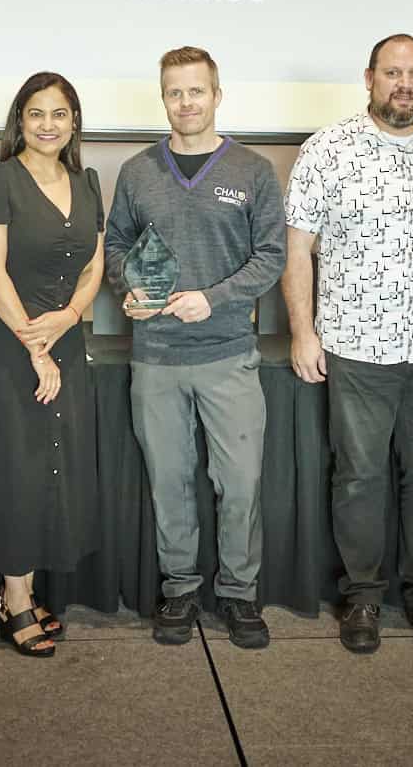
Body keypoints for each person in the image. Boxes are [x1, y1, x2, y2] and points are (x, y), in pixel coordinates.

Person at [282, 33, 413, 654]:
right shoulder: (327, 149)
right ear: (368, 78)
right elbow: (298, 251)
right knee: (360, 477)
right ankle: (363, 598)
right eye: (393, 72)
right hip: (356, 346)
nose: (405, 83)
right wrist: (301, 332)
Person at [103, 47, 285, 649]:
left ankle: (239, 593)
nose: (186, 103)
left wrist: (214, 298)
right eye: (175, 93)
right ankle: (179, 589)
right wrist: (127, 289)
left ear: (217, 94)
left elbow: (272, 257)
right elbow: (116, 249)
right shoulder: (137, 172)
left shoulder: (253, 171)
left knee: (240, 483)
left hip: (228, 355)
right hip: (155, 357)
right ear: (164, 98)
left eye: (197, 91)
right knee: (171, 481)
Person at [0, 72, 105, 657]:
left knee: (53, 463)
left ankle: (30, 585)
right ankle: (14, 596)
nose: (48, 123)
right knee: (17, 465)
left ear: (73, 122)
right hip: (10, 341)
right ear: (20, 120)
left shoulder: (86, 180)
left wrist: (67, 320)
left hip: (62, 334)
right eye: (36, 113)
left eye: (59, 113)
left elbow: (94, 266)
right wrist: (35, 348)